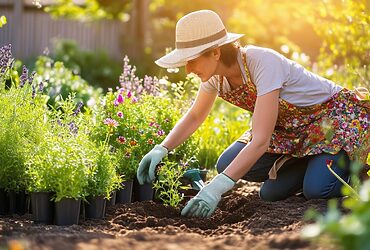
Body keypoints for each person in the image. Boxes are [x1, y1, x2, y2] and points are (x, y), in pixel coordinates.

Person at [137, 10, 370, 218]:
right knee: (251, 180)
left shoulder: (262, 62)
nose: (187, 69)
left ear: (215, 53)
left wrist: (217, 187)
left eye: (192, 60)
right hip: (292, 132)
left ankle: (350, 173)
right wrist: (162, 148)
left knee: (317, 190)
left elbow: (260, 140)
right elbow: (196, 116)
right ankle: (313, 164)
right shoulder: (214, 78)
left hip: (332, 123)